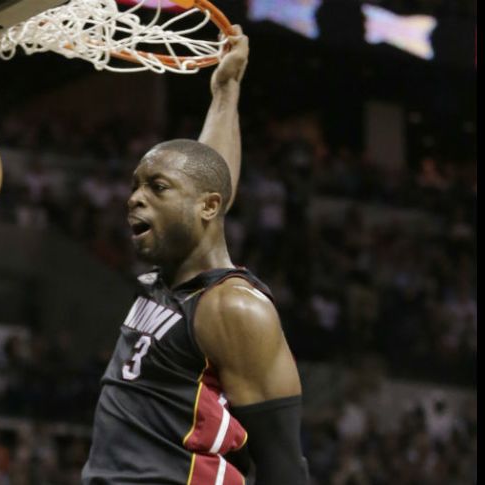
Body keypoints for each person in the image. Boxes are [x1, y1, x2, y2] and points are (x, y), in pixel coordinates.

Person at [82, 26, 309, 485]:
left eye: (156, 187)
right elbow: (211, 176)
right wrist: (226, 90)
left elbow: (285, 465)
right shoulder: (171, 282)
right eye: (134, 186)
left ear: (208, 207)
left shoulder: (233, 308)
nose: (134, 198)